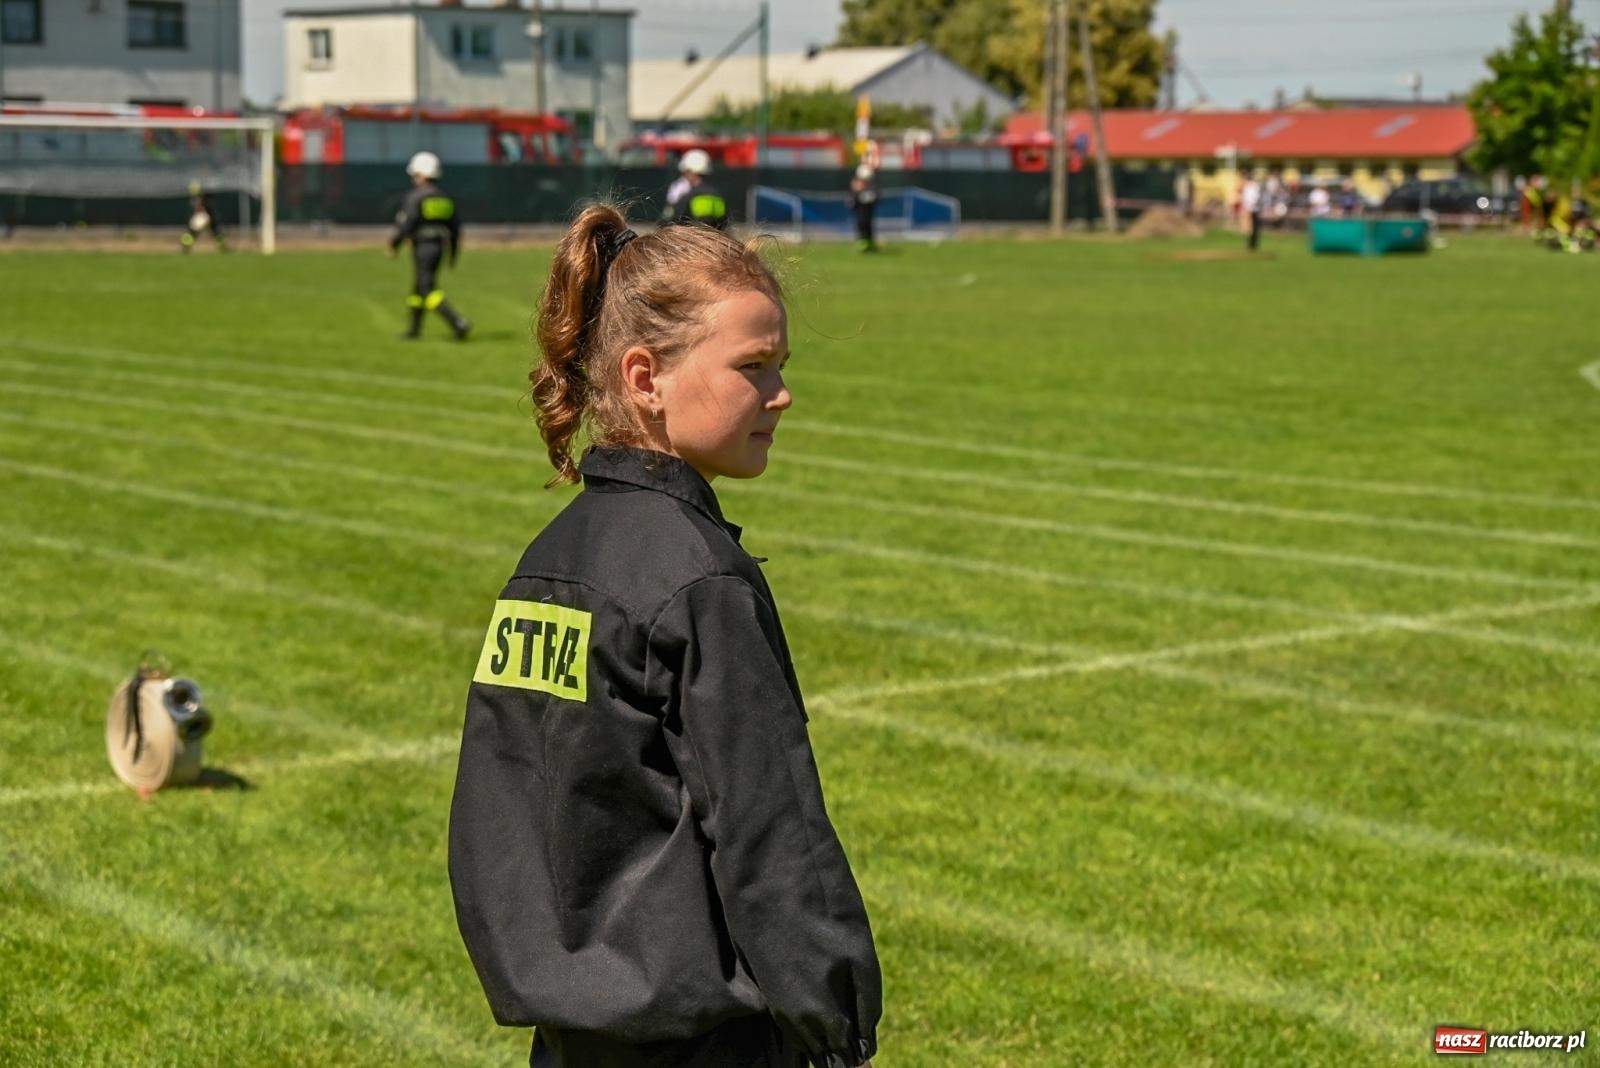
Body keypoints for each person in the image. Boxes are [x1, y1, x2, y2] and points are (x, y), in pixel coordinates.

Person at [448, 203, 881, 1068]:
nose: (781, 393)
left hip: (574, 1039)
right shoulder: (698, 578)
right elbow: (769, 828)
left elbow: (492, 830)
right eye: (753, 367)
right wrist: (835, 1021)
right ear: (646, 378)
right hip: (703, 1042)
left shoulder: (548, 561)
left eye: (781, 365)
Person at [387, 151, 471, 341]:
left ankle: (458, 322)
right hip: (439, 247)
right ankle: (414, 330)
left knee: (426, 289)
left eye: (415, 174)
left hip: (423, 247)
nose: (413, 178)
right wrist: (453, 254)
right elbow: (455, 229)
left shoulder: (416, 197)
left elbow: (407, 224)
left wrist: (394, 244)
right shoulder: (444, 198)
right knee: (418, 287)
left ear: (422, 175)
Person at [664, 148, 728, 230]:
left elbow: (672, 222)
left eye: (685, 171)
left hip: (693, 237)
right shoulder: (718, 197)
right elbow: (725, 223)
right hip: (715, 237)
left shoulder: (689, 197)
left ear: (691, 172)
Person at [180, 180, 227, 253]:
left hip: (206, 217)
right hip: (203, 217)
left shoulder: (200, 198)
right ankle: (185, 246)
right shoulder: (199, 198)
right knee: (213, 232)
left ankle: (222, 247)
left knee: (214, 232)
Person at [848, 164, 879, 252]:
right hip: (860, 215)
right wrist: (856, 193)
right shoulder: (855, 190)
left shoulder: (872, 189)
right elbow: (851, 203)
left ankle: (869, 245)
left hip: (868, 214)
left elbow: (876, 198)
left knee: (868, 229)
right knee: (862, 229)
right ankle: (863, 246)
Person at [1239, 168, 1263, 251]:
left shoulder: (1254, 185)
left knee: (1254, 228)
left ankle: (1253, 244)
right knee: (1249, 228)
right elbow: (1246, 198)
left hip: (1254, 209)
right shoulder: (1248, 185)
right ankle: (1250, 244)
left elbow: (1255, 197)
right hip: (1249, 208)